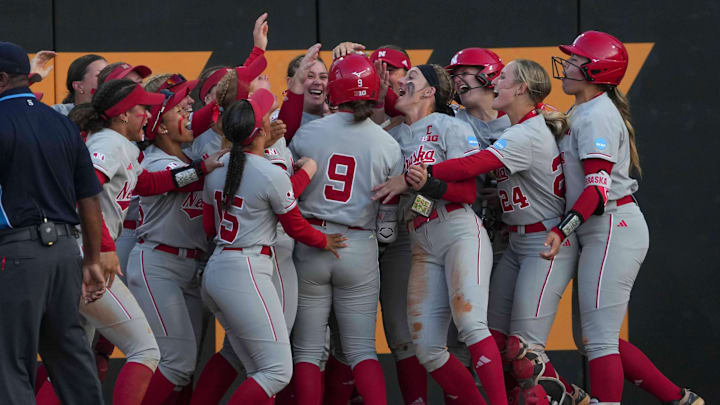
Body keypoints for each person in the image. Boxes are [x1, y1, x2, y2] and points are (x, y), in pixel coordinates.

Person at [404, 59, 588, 404]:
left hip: (544, 239)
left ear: (520, 89)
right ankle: (566, 395)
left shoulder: (525, 131)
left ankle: (574, 397)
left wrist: (422, 173)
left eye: (502, 78)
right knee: (493, 337)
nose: (494, 83)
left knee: (523, 349)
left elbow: (476, 164)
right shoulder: (518, 129)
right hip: (518, 239)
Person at [547, 30, 704, 405]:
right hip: (601, 227)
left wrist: (561, 229)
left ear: (596, 69)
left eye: (575, 60)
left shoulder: (598, 114)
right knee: (591, 337)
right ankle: (681, 400)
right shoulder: (584, 110)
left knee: (598, 339)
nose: (567, 65)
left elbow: (597, 192)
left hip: (612, 225)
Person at [200, 88, 347, 404]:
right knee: (278, 372)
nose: (271, 118)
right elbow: (295, 228)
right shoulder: (269, 173)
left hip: (218, 268)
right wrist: (325, 240)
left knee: (259, 369)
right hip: (246, 269)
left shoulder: (215, 168)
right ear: (261, 130)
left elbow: (208, 227)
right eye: (267, 115)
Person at [372, 63, 507, 405]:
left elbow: (467, 194)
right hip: (420, 240)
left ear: (430, 92)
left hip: (457, 228)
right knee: (428, 349)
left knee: (470, 323)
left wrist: (426, 182)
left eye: (411, 78)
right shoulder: (391, 138)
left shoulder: (450, 126)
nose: (402, 81)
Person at [289, 53, 403, 405]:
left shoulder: (308, 133)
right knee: (361, 351)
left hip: (312, 240)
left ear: (334, 89)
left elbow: (286, 189)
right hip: (359, 243)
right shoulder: (388, 143)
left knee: (307, 351)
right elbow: (388, 226)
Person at [0, 40, 105, 405]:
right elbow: (89, 198)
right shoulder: (61, 124)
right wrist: (92, 259)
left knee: (10, 363)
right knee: (71, 357)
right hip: (66, 253)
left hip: (17, 254)